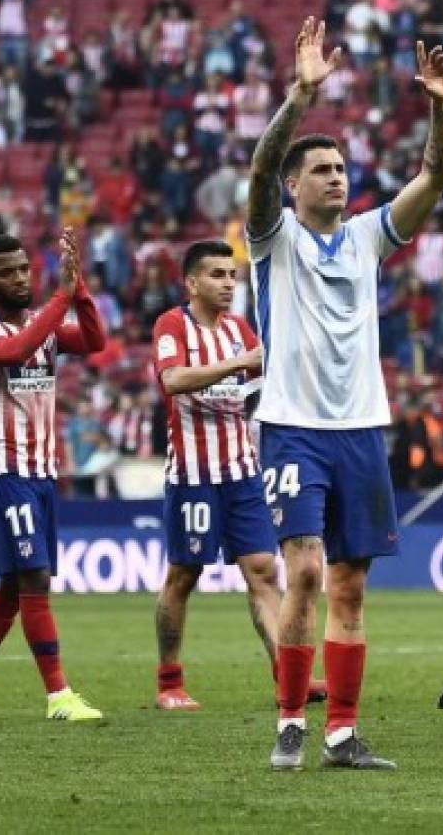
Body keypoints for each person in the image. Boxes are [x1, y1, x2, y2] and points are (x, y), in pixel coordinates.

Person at [247, 18, 443, 771]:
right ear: (294, 186)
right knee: (301, 572)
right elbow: (260, 165)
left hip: (363, 429)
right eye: (322, 169)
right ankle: (289, 724)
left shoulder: (367, 235)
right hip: (292, 427)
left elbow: (434, 179)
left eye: (341, 167)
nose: (337, 176)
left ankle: (340, 732)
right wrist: (300, 97)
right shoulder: (273, 237)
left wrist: (440, 108)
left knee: (351, 584)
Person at [149, 240, 322, 711]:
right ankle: (169, 681)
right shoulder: (172, 325)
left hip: (243, 471)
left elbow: (265, 372)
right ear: (191, 282)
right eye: (217, 275)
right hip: (192, 473)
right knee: (185, 574)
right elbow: (172, 380)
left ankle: (288, 678)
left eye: (232, 275)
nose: (228, 284)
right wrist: (239, 364)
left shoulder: (239, 329)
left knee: (264, 572)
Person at [0, 229, 105, 723]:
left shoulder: (46, 331)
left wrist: (78, 287)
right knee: (35, 577)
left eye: (23, 268)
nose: (20, 278)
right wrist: (60, 297)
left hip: (41, 473)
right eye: (7, 272)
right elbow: (17, 350)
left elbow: (95, 339)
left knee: (14, 589)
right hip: (5, 469)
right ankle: (58, 696)